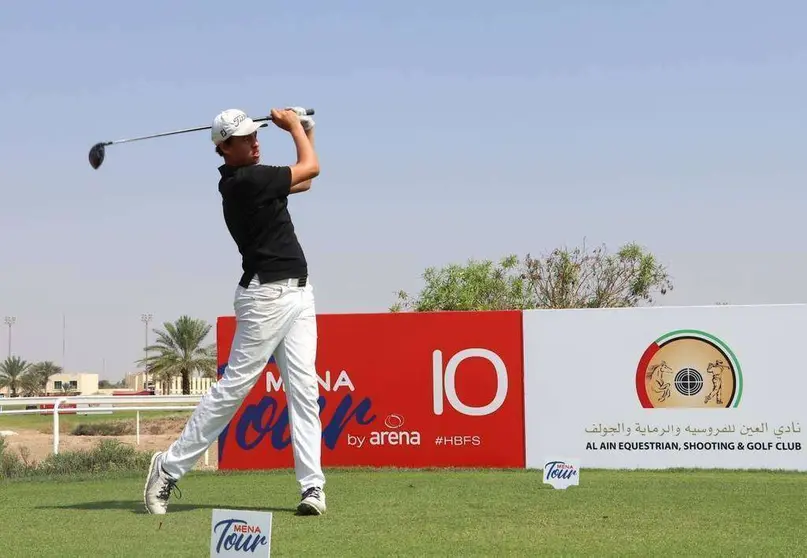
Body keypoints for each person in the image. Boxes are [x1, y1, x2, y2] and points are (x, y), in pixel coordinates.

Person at [143, 106, 326, 516]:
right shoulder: (244, 182)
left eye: (256, 135)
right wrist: (297, 126)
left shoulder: (257, 178)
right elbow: (311, 166)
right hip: (266, 298)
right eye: (246, 139)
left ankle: (312, 488)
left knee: (304, 392)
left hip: (299, 294)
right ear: (225, 148)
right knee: (234, 390)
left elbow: (307, 180)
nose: (256, 141)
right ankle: (168, 468)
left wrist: (306, 129)